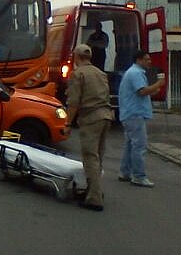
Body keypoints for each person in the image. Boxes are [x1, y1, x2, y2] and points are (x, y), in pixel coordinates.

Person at [65, 44, 114, 211]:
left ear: (77, 57)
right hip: (106, 116)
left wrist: (67, 123)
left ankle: (94, 198)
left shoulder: (78, 74)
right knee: (98, 156)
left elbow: (73, 103)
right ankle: (95, 190)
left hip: (91, 118)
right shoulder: (100, 73)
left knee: (90, 156)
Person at [117, 49, 166, 188]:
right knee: (139, 145)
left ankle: (125, 172)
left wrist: (153, 89)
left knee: (130, 145)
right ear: (139, 60)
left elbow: (142, 91)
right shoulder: (135, 73)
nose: (149, 62)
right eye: (147, 59)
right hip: (135, 114)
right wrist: (159, 84)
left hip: (129, 113)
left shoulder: (133, 72)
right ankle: (139, 176)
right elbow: (142, 91)